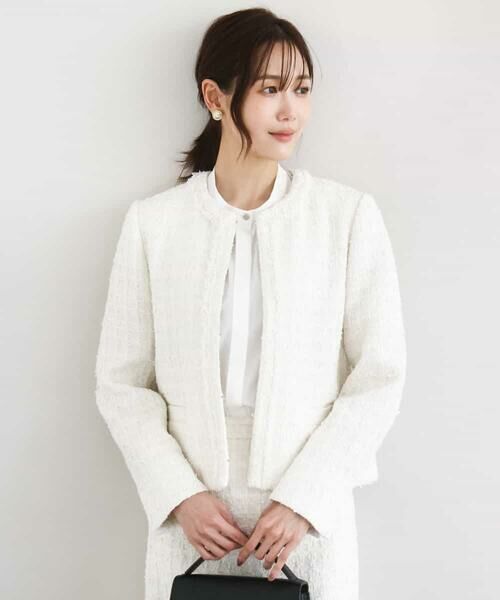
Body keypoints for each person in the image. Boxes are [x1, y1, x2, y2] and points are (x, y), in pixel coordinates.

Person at [94, 8, 407, 600]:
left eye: (302, 89)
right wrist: (180, 495)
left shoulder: (345, 218)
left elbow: (379, 377)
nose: (291, 111)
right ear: (215, 97)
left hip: (307, 523)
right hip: (189, 528)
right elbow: (122, 382)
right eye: (270, 90)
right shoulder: (154, 224)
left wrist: (304, 500)